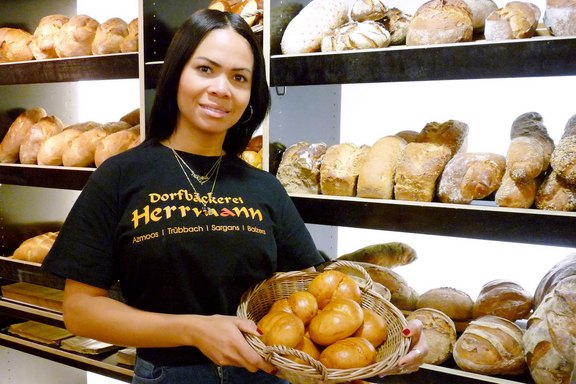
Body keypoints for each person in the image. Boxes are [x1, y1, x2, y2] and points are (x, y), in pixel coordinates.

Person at [42, 8, 428, 384]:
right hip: (171, 376)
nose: (221, 89)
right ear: (177, 73)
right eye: (205, 69)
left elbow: (317, 291)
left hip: (264, 374)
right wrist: (194, 330)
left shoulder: (263, 187)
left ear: (250, 95)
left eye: (239, 77)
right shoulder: (121, 176)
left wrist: (392, 330)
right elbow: (80, 311)